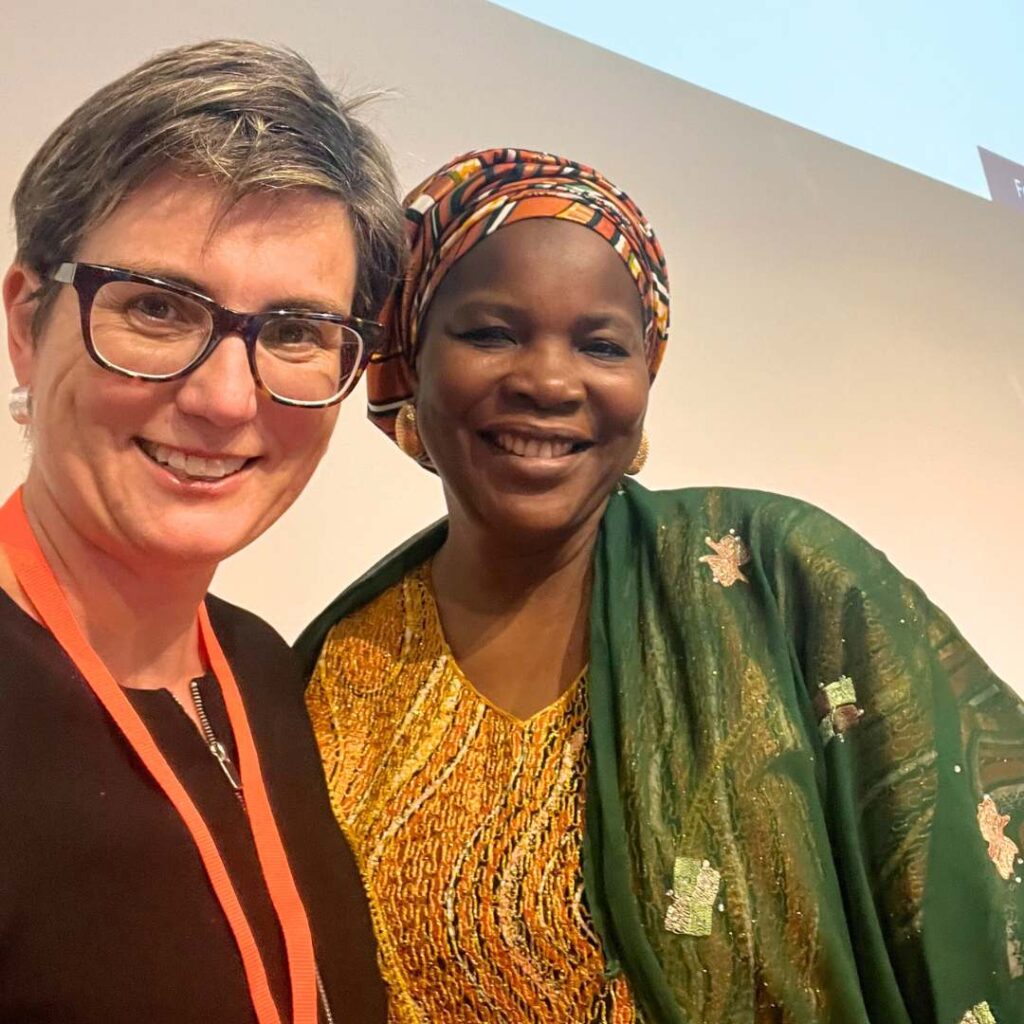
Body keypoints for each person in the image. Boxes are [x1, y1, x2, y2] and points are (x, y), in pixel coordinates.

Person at [299, 148, 1024, 1024]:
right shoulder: (338, 670)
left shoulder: (775, 577)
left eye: (602, 345)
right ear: (412, 357)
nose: (549, 381)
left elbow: (983, 869)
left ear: (647, 373)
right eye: (491, 332)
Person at [0, 40, 404, 1024]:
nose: (226, 399)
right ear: (25, 322)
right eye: (154, 307)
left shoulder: (260, 668)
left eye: (299, 330)